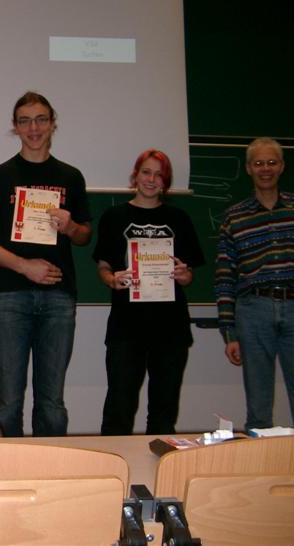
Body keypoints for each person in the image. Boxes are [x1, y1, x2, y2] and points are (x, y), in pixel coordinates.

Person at [0, 91, 92, 437]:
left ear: (52, 124)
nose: (33, 128)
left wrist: (70, 226)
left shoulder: (71, 176)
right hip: (9, 296)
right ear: (15, 127)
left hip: (59, 296)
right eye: (25, 121)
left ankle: (50, 468)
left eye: (40, 120)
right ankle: (7, 469)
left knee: (52, 402)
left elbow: (85, 236)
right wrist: (24, 266)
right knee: (7, 401)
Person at [216, 137, 294, 433]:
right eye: (258, 163)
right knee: (258, 409)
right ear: (249, 169)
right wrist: (229, 332)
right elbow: (225, 277)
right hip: (253, 310)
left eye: (271, 162)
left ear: (281, 166)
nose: (265, 169)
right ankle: (260, 461)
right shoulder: (234, 216)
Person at [92, 149, 204, 435]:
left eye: (159, 175)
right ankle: (114, 461)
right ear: (135, 175)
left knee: (164, 411)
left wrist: (185, 275)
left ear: (165, 181)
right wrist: (111, 279)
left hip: (171, 328)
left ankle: (162, 462)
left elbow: (189, 274)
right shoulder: (114, 216)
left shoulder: (179, 218)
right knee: (119, 407)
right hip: (126, 327)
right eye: (146, 172)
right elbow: (103, 267)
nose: (151, 180)